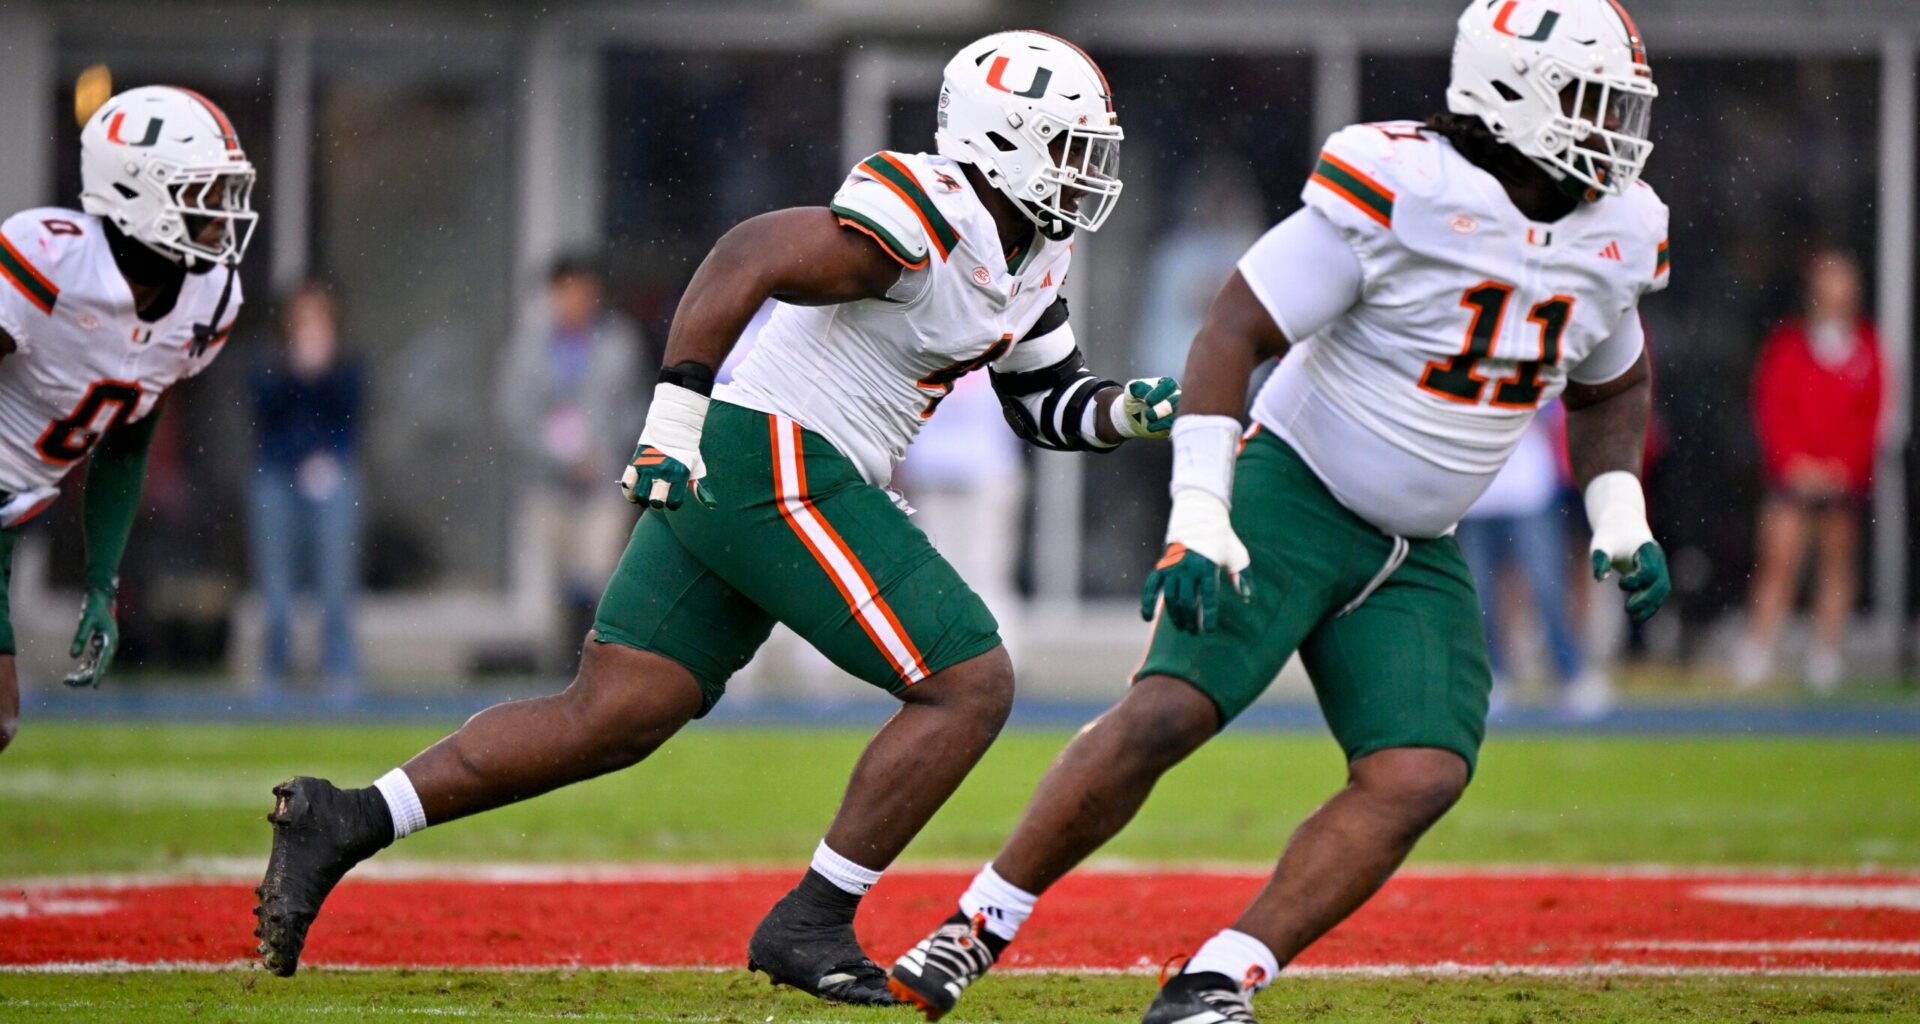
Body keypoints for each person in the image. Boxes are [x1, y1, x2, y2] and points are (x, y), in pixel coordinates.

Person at [255, 30, 1180, 1007]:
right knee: (971, 680)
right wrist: (672, 420)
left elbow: (1045, 401)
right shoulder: (935, 208)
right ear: (1003, 140)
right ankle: (813, 917)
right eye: (1072, 148)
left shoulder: (1036, 253)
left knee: (615, 712)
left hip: (766, 463)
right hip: (769, 453)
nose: (1088, 175)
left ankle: (348, 818)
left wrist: (1127, 412)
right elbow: (746, 256)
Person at [889, 3, 1673, 1021]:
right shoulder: (1404, 184)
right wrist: (1202, 511)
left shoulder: (1623, 224)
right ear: (1513, 91)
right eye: (1586, 97)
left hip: (1417, 544)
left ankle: (1221, 973)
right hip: (1296, 488)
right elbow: (1235, 328)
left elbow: (1612, 383)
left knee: (1422, 768)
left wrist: (1619, 509)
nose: (1610, 124)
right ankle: (976, 923)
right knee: (1168, 710)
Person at [0, 85, 254, 755]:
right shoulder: (49, 258)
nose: (223, 215)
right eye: (205, 193)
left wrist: (100, 582)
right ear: (139, 190)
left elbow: (126, 443)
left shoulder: (209, 300)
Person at [1734, 251, 1883, 693]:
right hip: (1793, 478)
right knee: (1778, 562)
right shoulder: (1788, 345)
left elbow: (1871, 416)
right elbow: (1772, 408)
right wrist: (1794, 463)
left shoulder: (1868, 350)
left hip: (1841, 480)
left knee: (1836, 565)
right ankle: (1759, 649)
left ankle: (1825, 656)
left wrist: (1842, 468)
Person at [496, 257, 647, 670]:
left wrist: (605, 452)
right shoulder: (529, 347)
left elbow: (636, 406)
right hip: (546, 484)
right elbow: (514, 413)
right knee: (551, 588)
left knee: (600, 578)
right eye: (567, 291)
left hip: (602, 482)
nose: (576, 300)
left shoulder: (619, 342)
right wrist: (559, 455)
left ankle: (598, 668)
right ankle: (558, 671)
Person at [1454, 403, 1613, 719]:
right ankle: (1492, 675)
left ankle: (1571, 670)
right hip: (1476, 493)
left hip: (1528, 489)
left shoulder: (1530, 354)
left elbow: (1558, 408)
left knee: (1547, 585)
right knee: (1478, 592)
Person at [248, 280, 363, 702]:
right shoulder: (270, 363)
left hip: (331, 474)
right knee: (276, 580)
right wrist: (297, 374)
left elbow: (349, 416)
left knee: (336, 576)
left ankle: (339, 666)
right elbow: (264, 413)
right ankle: (274, 667)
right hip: (278, 474)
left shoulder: (347, 364)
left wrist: (323, 373)